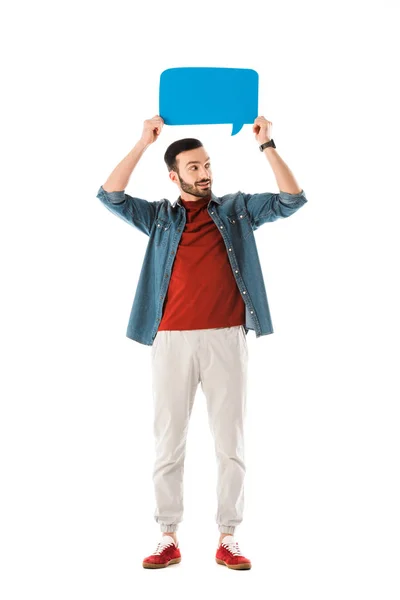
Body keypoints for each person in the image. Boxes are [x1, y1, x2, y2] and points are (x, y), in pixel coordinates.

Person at [96, 115, 308, 570]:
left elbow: (292, 199)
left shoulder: (235, 210)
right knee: (168, 441)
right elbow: (110, 195)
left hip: (226, 339)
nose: (204, 172)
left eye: (207, 164)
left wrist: (267, 145)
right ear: (174, 176)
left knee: (229, 442)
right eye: (193, 167)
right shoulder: (160, 217)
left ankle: (228, 537)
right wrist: (142, 144)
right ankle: (167, 536)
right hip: (170, 340)